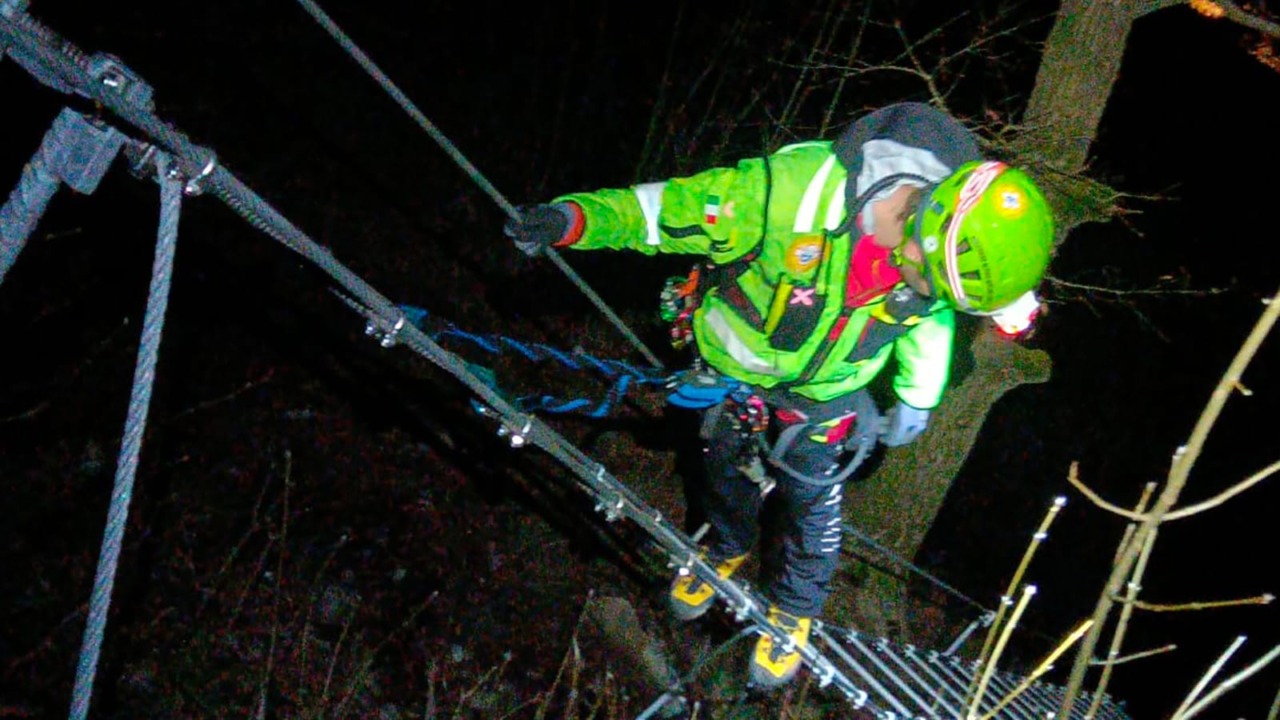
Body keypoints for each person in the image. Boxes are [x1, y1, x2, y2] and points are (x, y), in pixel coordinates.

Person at [504, 102, 1054, 688]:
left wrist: (917, 395)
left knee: (813, 500)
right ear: (928, 219)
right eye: (929, 281)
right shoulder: (792, 192)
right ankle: (727, 544)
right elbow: (668, 211)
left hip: (826, 392)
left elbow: (927, 327)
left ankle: (795, 609)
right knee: (720, 468)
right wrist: (575, 220)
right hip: (733, 367)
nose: (922, 294)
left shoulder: (940, 272)